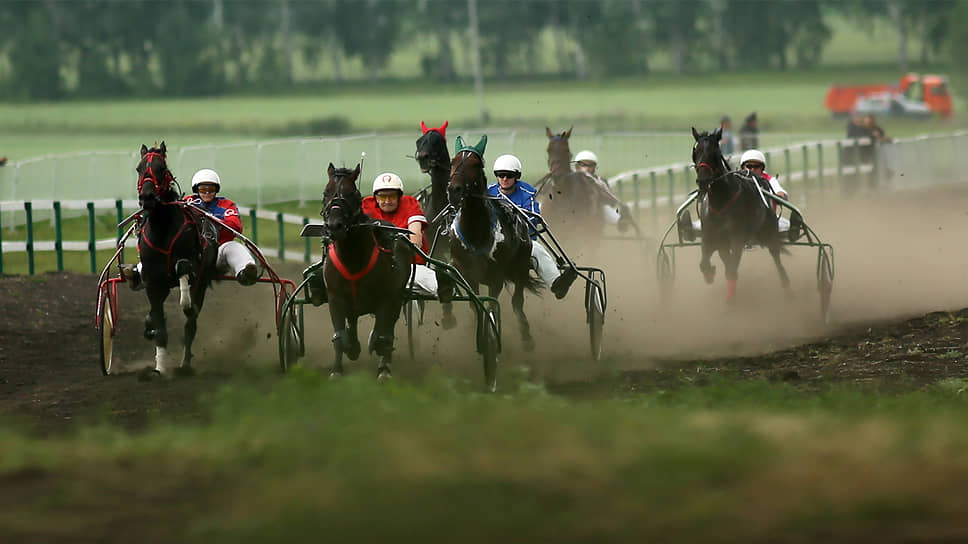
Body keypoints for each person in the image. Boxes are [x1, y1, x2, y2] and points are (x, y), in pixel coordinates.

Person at [122, 168, 261, 288]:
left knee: (233, 247)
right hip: (190, 254)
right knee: (160, 250)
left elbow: (236, 226)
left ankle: (246, 271)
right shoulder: (187, 202)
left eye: (211, 189)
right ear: (196, 190)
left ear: (216, 190)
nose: (207, 193)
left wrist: (215, 220)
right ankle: (138, 274)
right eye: (203, 189)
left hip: (217, 254)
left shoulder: (226, 205)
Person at [487, 154, 577, 299]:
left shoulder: (527, 192)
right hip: (492, 240)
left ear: (516, 176)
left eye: (509, 175)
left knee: (537, 250)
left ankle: (556, 283)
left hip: (520, 241)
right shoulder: (487, 192)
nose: (504, 179)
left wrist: (514, 218)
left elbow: (533, 217)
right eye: (500, 175)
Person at [680, 149, 801, 241]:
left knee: (783, 225)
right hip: (735, 221)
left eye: (756, 166)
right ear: (743, 167)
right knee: (711, 221)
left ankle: (793, 229)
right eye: (749, 166)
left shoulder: (768, 180)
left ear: (762, 168)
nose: (752, 169)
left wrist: (780, 195)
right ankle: (690, 229)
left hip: (766, 220)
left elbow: (780, 193)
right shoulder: (736, 180)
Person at [361, 172, 437, 295]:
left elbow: (415, 233)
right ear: (375, 198)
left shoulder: (409, 203)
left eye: (391, 197)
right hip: (376, 267)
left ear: (399, 197)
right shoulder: (367, 205)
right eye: (382, 197)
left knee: (428, 279)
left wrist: (412, 246)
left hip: (409, 264)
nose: (387, 201)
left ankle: (445, 288)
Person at [573, 149, 635, 233]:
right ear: (577, 167)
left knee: (604, 208)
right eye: (583, 165)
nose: (586, 168)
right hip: (574, 208)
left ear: (594, 168)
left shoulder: (600, 181)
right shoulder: (571, 180)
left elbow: (611, 199)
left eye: (590, 166)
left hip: (595, 209)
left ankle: (620, 222)